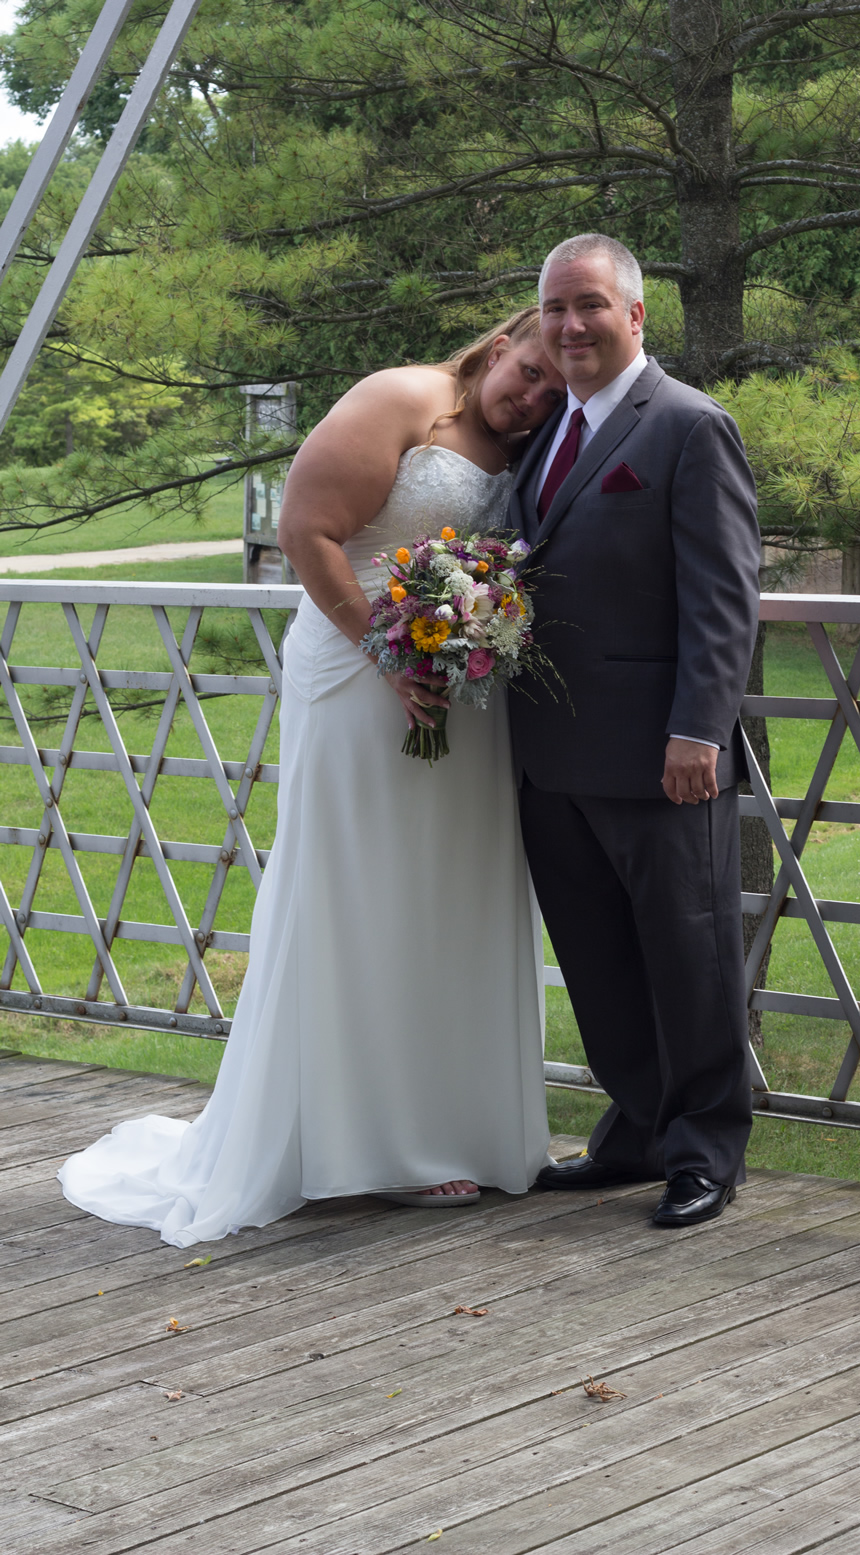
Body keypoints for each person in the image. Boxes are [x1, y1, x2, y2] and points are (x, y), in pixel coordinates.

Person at [58, 307, 567, 1247]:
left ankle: (457, 1125)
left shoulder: (524, 446)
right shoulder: (404, 396)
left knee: (450, 893)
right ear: (499, 345)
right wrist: (389, 656)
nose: (533, 398)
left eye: (552, 391)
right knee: (363, 890)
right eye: (528, 371)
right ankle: (361, 1141)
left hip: (462, 691)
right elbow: (305, 530)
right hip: (360, 674)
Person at [508, 235, 760, 1229]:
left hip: (663, 758)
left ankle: (704, 1151)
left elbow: (722, 596)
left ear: (635, 314)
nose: (570, 326)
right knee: (599, 963)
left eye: (590, 306)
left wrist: (699, 729)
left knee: (691, 959)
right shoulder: (545, 432)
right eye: (554, 308)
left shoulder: (689, 425)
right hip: (551, 759)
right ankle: (636, 1133)